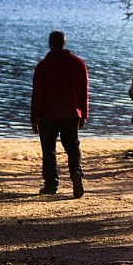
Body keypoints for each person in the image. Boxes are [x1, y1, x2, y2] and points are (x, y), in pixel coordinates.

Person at [30, 30, 89, 198]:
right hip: (71, 113)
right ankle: (76, 173)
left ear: (50, 44)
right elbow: (83, 91)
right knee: (72, 147)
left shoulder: (43, 65)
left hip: (48, 114)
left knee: (48, 150)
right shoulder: (78, 63)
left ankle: (51, 185)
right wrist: (83, 113)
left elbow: (37, 94)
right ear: (64, 43)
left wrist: (34, 119)